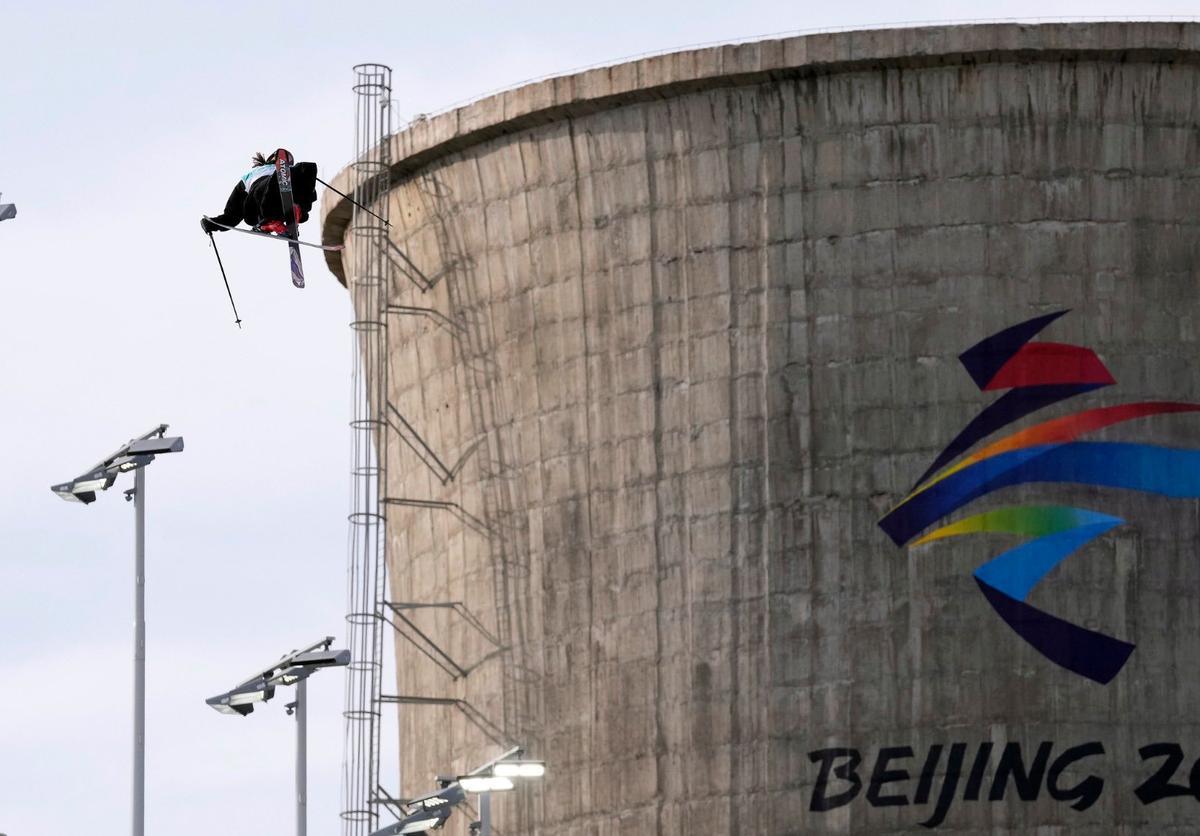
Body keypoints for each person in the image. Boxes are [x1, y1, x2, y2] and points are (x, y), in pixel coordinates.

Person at [201, 151, 318, 235]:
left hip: (284, 205)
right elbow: (231, 214)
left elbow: (308, 189)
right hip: (257, 207)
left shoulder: (290, 174)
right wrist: (211, 224)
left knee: (308, 167)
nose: (288, 163)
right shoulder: (251, 175)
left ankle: (296, 211)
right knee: (273, 181)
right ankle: (268, 222)